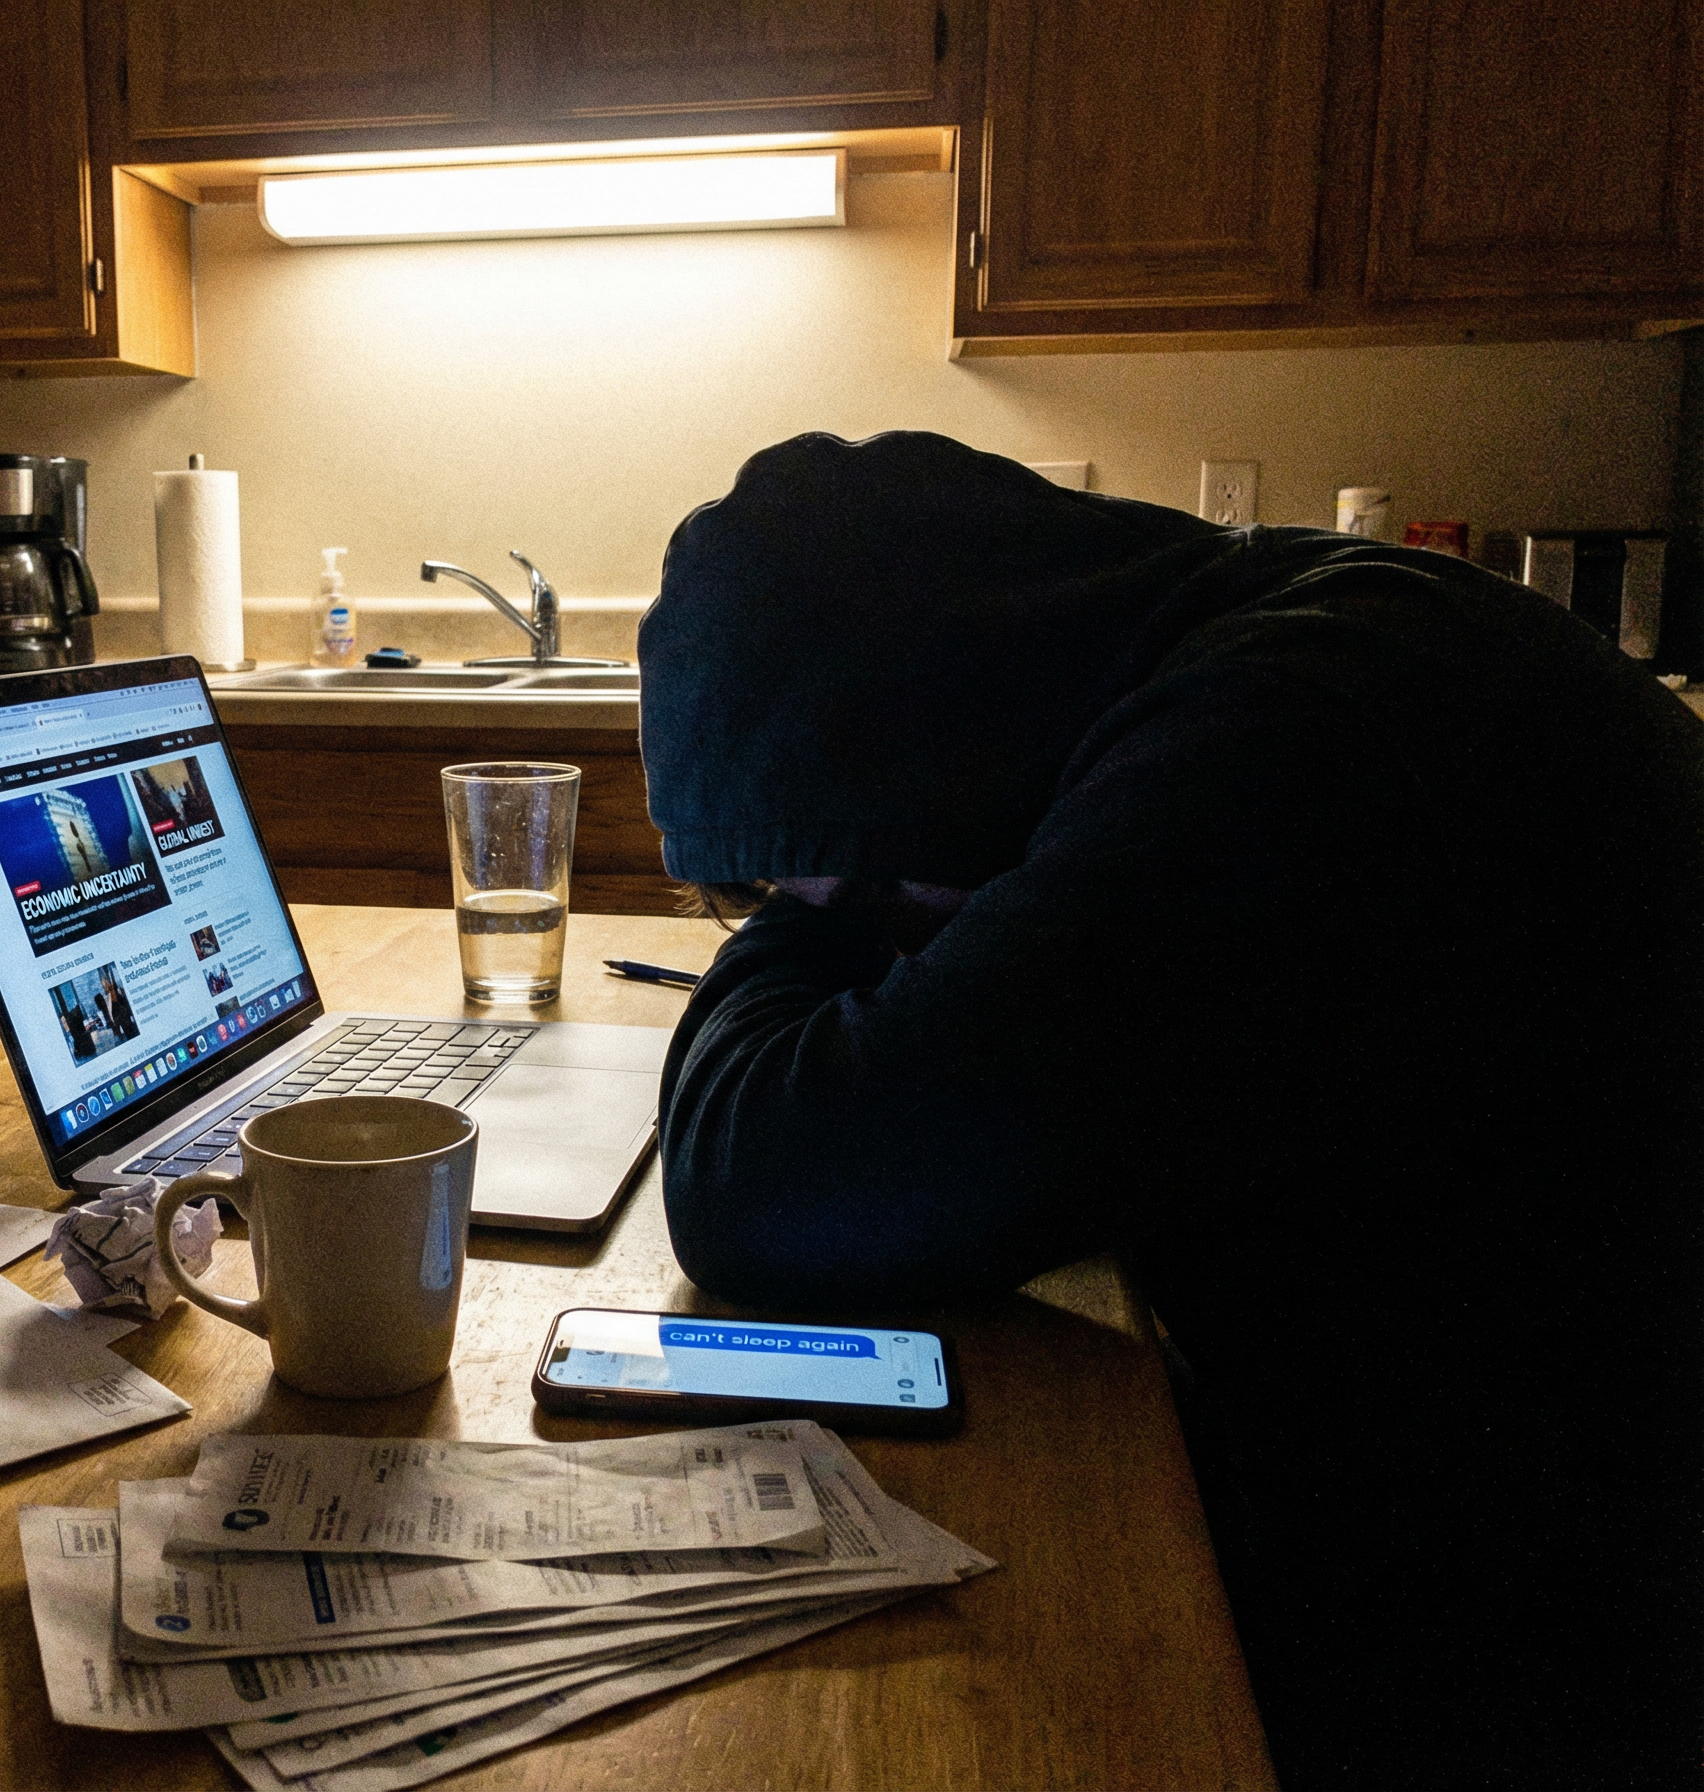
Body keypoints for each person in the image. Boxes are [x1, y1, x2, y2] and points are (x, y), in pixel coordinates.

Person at [637, 431, 1704, 1789]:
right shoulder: (1304, 636)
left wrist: (807, 908)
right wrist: (837, 883)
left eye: (840, 870)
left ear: (941, 739)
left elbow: (763, 1184)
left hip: (1551, 1651)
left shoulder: (1291, 743)